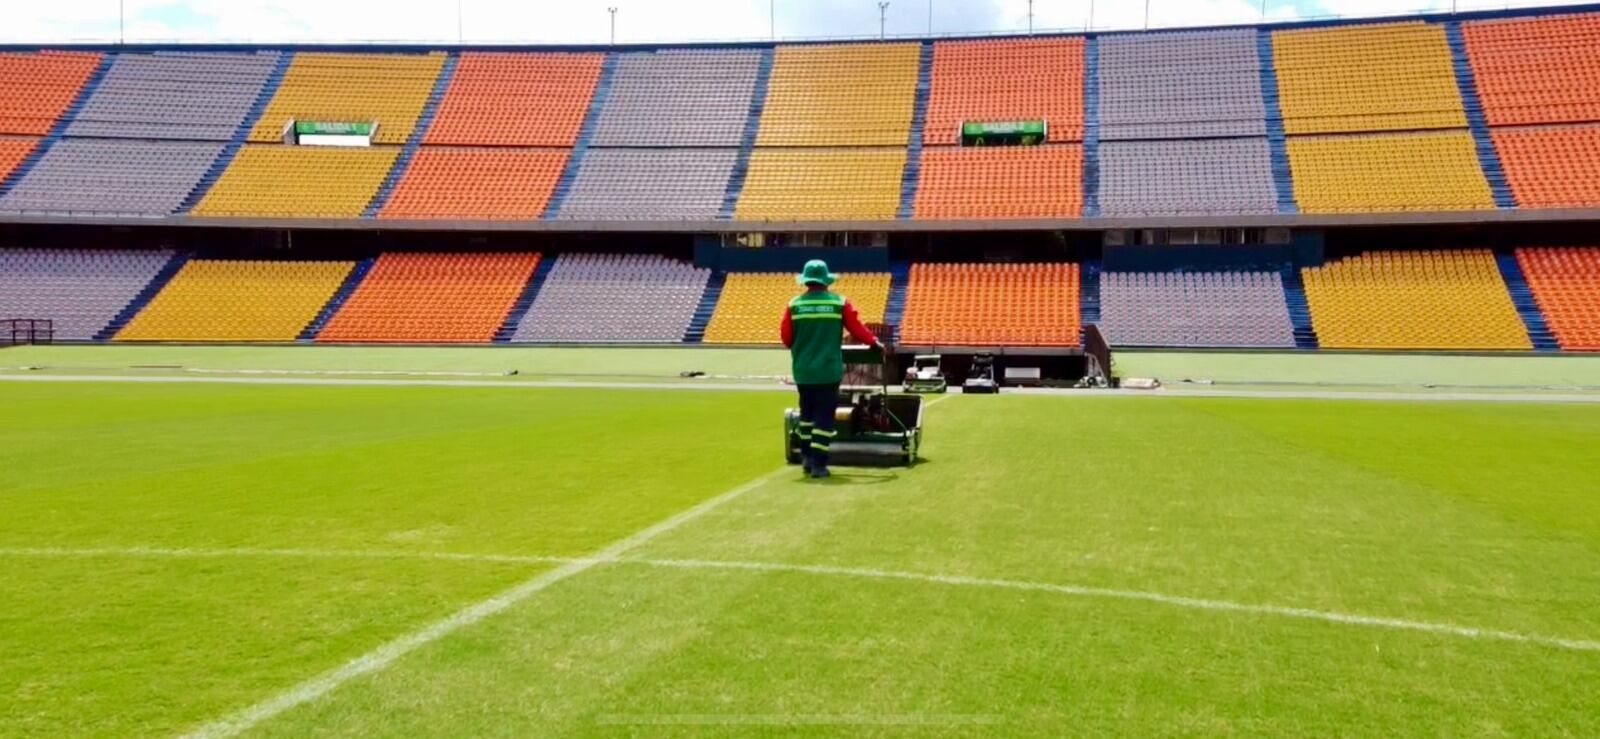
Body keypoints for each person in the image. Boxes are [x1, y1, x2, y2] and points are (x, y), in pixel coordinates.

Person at [781, 260, 883, 479]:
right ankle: (819, 465)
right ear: (826, 280)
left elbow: (787, 338)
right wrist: (874, 343)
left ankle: (807, 459)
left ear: (806, 281)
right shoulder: (839, 303)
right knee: (824, 419)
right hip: (828, 371)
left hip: (803, 372)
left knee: (806, 416)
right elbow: (857, 329)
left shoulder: (794, 305)